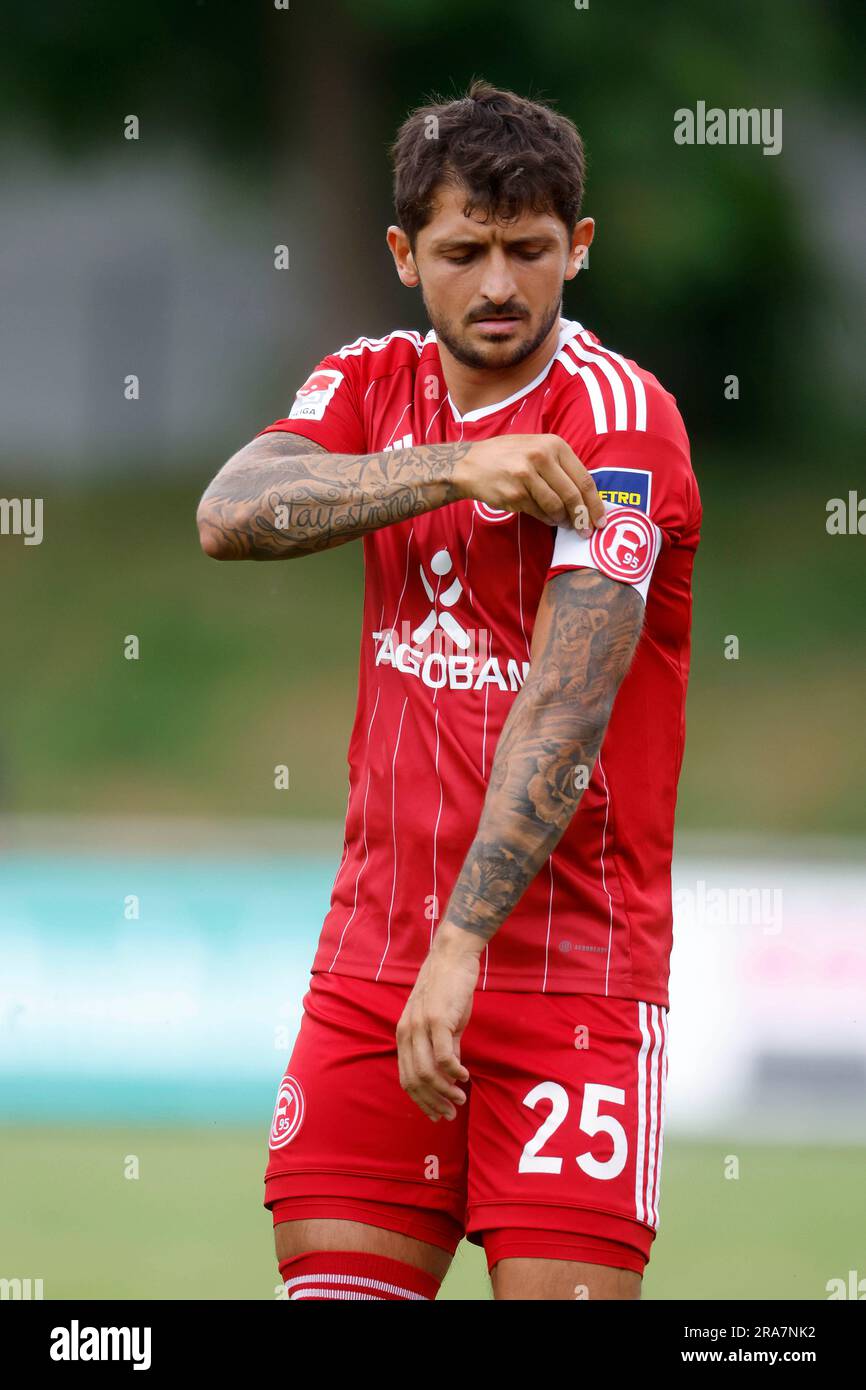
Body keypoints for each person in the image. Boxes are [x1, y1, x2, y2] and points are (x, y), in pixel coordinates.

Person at [197, 79, 701, 1301]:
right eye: (463, 250)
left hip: (567, 975)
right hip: (371, 962)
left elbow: (566, 704)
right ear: (401, 253)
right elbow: (229, 515)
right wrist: (452, 467)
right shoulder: (368, 382)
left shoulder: (622, 425)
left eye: (529, 251)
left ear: (576, 249)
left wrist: (463, 943)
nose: (497, 285)